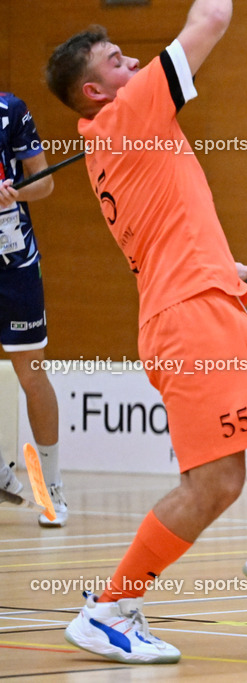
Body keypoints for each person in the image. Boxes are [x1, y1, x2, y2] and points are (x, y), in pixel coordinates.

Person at [46, 0, 247, 664]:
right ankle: (110, 608)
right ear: (94, 91)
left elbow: (168, 219)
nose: (134, 62)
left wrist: (217, 265)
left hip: (219, 307)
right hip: (190, 323)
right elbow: (213, 17)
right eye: (117, 62)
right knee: (216, 484)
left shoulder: (125, 128)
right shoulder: (129, 114)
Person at [0, 92, 69, 527]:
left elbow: (44, 181)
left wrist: (16, 193)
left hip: (15, 262)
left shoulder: (11, 111)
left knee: (31, 373)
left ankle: (52, 491)